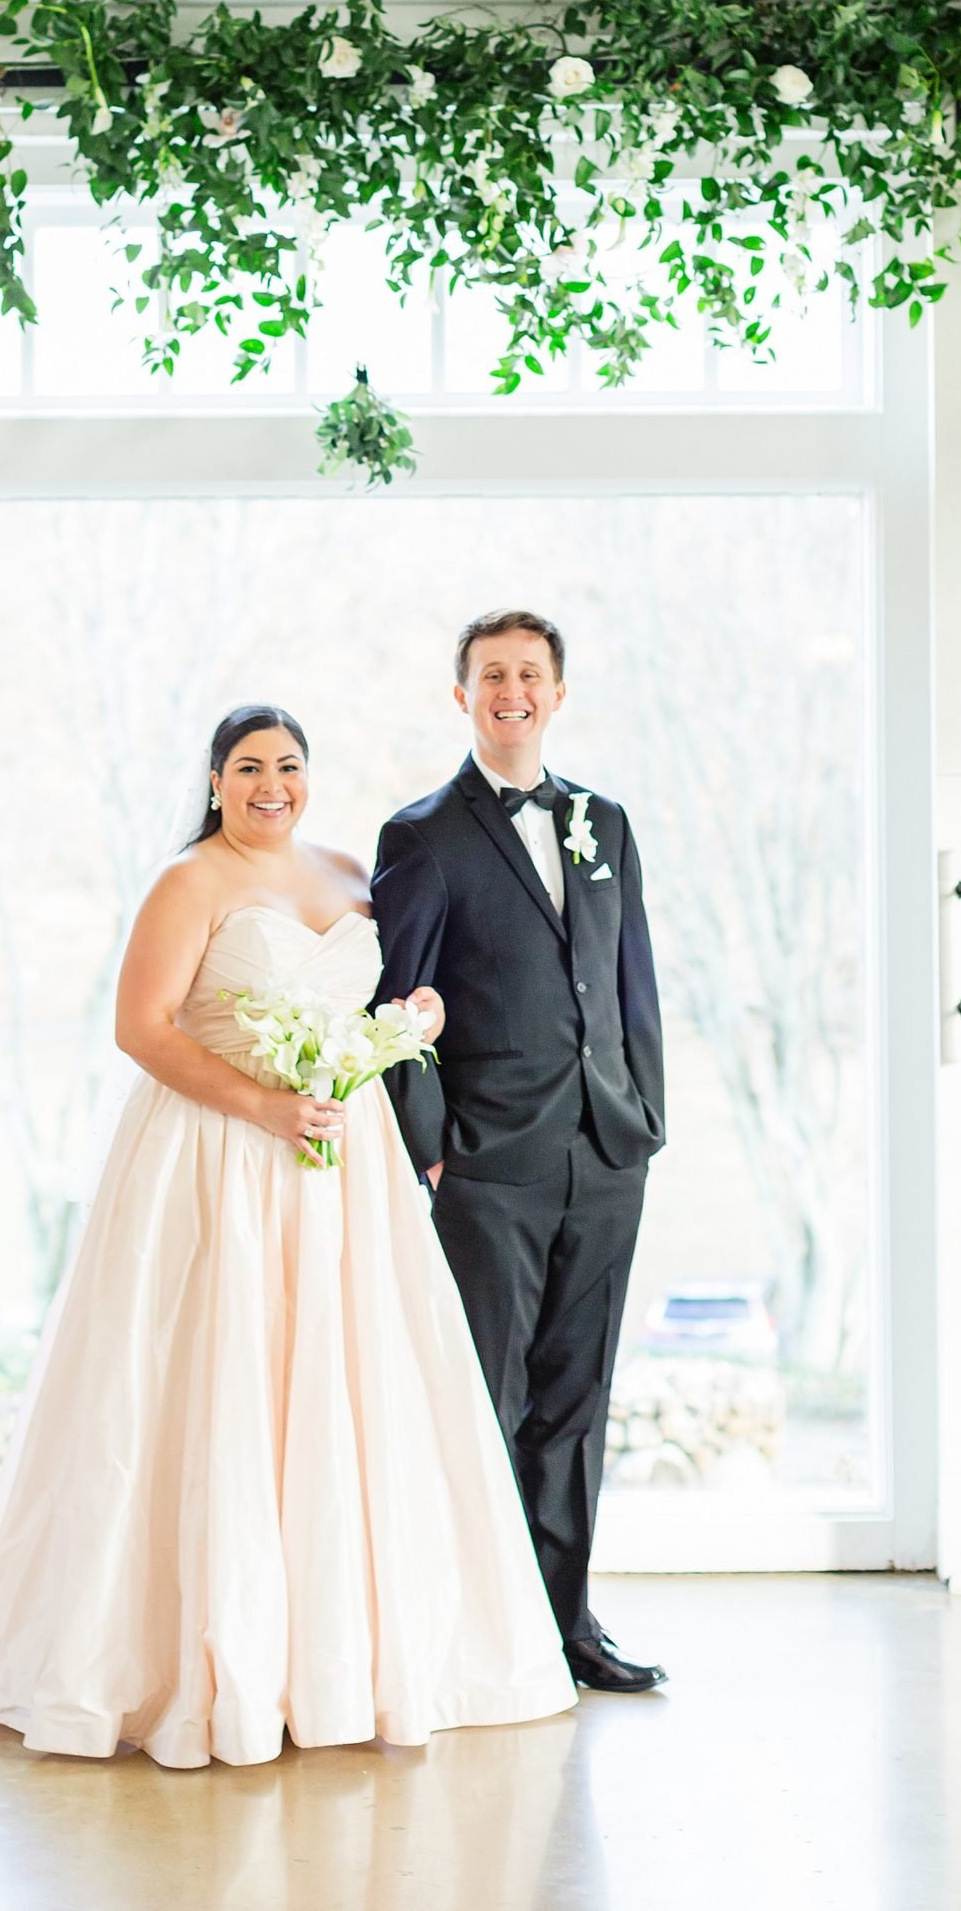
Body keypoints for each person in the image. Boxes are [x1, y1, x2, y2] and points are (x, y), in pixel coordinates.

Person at [0, 702, 577, 1768]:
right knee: (211, 1387)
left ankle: (334, 1660)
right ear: (215, 779)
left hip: (344, 1170)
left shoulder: (353, 874)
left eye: (290, 765)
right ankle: (193, 1663)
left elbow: (374, 1009)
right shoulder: (190, 882)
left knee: (341, 1394)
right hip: (213, 1160)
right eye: (250, 766)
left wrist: (412, 1028)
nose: (272, 784)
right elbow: (142, 1027)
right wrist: (259, 1108)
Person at [371, 611, 668, 1694]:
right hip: (488, 1167)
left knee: (576, 1400)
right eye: (492, 673)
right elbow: (392, 1006)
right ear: (463, 695)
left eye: (529, 673)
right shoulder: (422, 835)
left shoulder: (607, 822)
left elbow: (633, 983)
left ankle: (565, 1628)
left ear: (557, 691)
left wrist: (644, 1123)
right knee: (480, 1403)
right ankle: (473, 1637)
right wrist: (434, 1152)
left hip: (606, 1152)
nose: (512, 689)